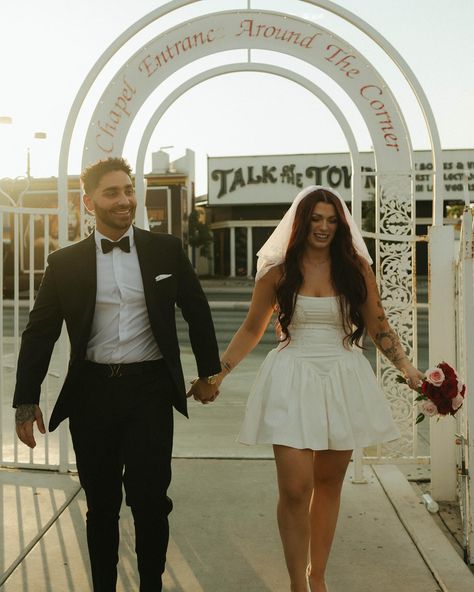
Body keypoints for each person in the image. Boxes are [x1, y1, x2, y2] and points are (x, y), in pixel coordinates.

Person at [189, 186, 423, 592]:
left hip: (342, 376)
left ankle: (318, 577)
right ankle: (297, 581)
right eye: (316, 218)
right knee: (296, 487)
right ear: (301, 223)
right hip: (291, 375)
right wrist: (216, 375)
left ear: (341, 225)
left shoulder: (356, 271)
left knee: (329, 484)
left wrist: (409, 370)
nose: (324, 227)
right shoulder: (278, 271)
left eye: (332, 220)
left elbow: (379, 326)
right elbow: (252, 327)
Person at [13, 157, 220, 592]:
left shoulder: (165, 249)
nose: (125, 199)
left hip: (149, 391)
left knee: (150, 503)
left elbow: (197, 312)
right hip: (92, 395)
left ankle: (150, 587)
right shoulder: (64, 263)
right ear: (88, 202)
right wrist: (26, 401)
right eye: (112, 192)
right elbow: (39, 332)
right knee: (102, 505)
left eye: (128, 189)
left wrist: (208, 374)